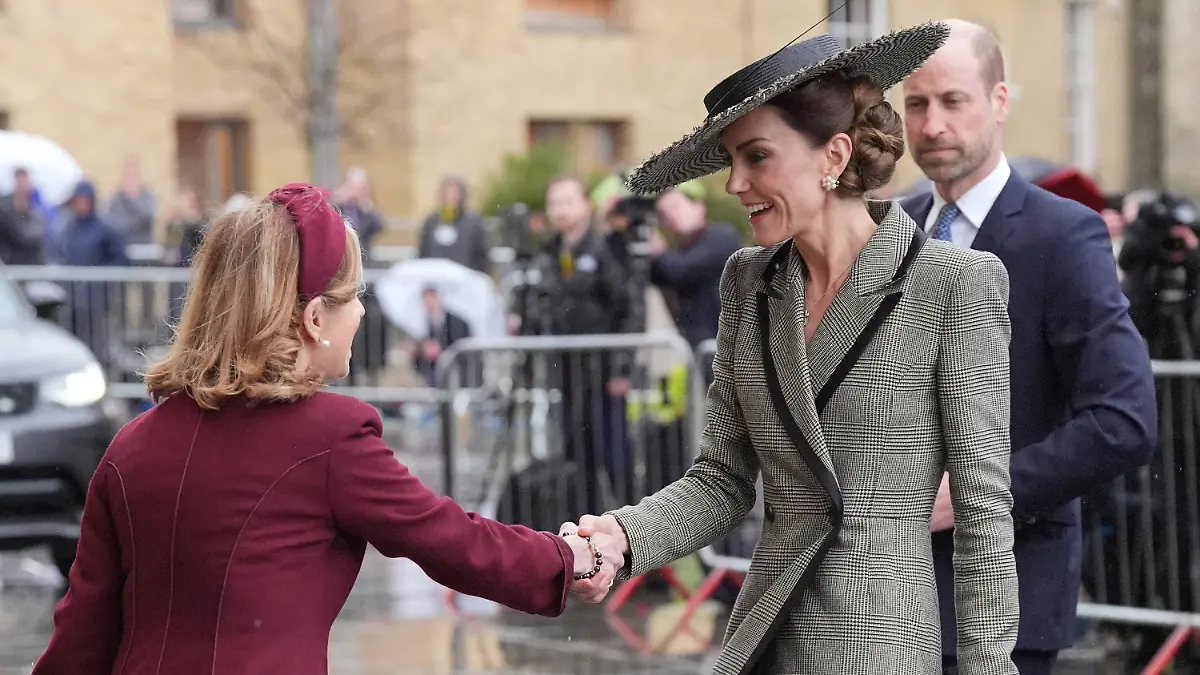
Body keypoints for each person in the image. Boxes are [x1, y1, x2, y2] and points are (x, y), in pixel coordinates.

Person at [564, 22, 1020, 675]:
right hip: (765, 636)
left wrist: (989, 667)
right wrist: (623, 534)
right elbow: (721, 478)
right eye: (731, 161)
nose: (735, 184)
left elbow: (981, 511)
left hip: (881, 647)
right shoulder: (748, 282)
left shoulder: (954, 284)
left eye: (757, 157)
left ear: (834, 156)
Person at [30, 183, 623, 675]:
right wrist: (569, 558)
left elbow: (82, 631)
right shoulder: (328, 437)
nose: (362, 310)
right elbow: (451, 540)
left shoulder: (131, 446)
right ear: (315, 318)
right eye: (353, 295)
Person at [897, 20, 1157, 675]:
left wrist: (978, 492)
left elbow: (1123, 419)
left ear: (1000, 101)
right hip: (881, 598)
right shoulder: (887, 229)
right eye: (917, 103)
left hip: (1004, 601)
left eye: (953, 101)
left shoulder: (1062, 235)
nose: (931, 125)